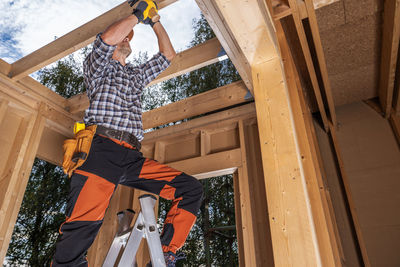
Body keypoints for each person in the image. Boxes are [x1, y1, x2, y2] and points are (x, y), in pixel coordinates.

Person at [52, 1, 203, 266]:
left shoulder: (135, 76)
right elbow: (106, 39)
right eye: (124, 35)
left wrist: (154, 21)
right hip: (100, 151)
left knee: (189, 189)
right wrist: (137, 14)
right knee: (81, 227)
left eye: (128, 37)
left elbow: (168, 56)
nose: (126, 39)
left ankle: (167, 253)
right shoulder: (97, 68)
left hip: (132, 158)